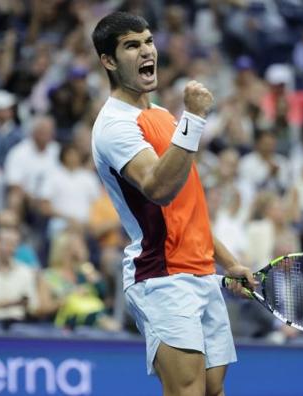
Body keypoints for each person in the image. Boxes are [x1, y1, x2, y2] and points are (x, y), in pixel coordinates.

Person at [90, 12, 255, 396]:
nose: (146, 51)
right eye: (132, 45)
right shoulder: (114, 125)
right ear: (108, 61)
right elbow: (157, 188)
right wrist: (194, 119)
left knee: (212, 390)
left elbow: (187, 210)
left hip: (199, 272)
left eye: (148, 41)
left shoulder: (162, 115)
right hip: (161, 277)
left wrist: (229, 264)